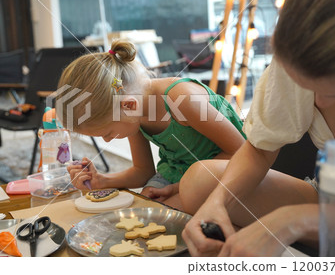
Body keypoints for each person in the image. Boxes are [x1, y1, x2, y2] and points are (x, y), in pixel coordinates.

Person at [182, 0, 335, 256]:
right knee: (198, 183)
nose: (318, 103)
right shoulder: (297, 53)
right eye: (309, 87)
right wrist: (217, 202)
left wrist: (293, 221)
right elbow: (260, 149)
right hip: (329, 199)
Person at [57, 40, 246, 210]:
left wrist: (179, 188)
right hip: (176, 172)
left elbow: (240, 152)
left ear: (129, 106)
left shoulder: (183, 100)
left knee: (161, 216)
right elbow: (143, 172)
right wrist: (101, 181)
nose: (107, 139)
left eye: (108, 133)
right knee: (141, 211)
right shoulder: (131, 111)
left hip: (222, 169)